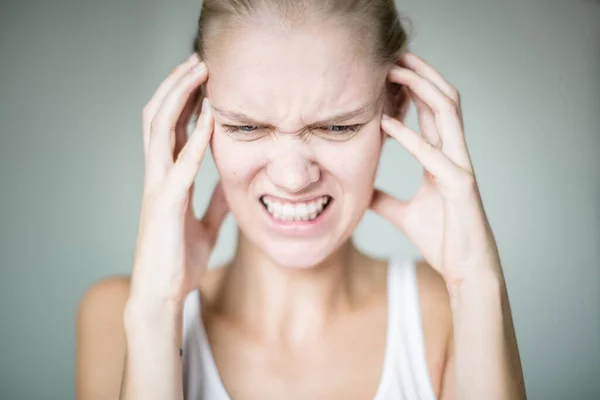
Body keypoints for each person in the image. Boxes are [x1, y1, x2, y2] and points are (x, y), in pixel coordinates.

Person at [76, 0, 527, 399]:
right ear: (195, 116)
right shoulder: (118, 316)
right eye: (247, 127)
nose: (293, 178)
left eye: (337, 127)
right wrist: (159, 309)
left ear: (394, 108)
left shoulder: (449, 315)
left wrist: (475, 284)